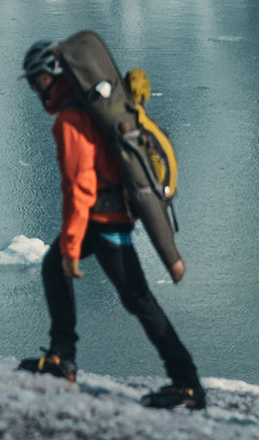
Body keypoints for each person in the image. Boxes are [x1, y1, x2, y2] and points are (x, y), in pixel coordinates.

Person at [17, 41, 203, 410]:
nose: (35, 91)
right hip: (104, 218)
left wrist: (72, 246)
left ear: (53, 76)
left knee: (139, 300)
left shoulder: (71, 121)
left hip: (105, 222)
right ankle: (61, 358)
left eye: (37, 82)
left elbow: (80, 188)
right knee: (53, 267)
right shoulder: (83, 111)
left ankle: (187, 384)